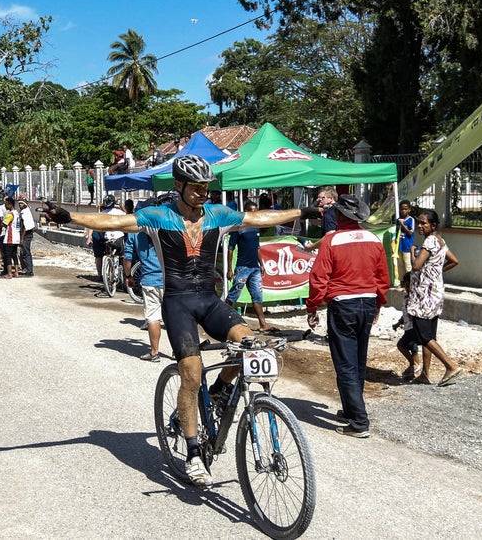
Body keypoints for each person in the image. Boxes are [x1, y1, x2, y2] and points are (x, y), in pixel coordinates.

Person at [41, 155, 322, 486]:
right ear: (179, 186)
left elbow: (260, 217)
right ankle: (192, 453)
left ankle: (219, 390)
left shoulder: (219, 215)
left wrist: (301, 212)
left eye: (207, 187)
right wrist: (70, 216)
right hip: (178, 305)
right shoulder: (157, 216)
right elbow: (112, 223)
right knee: (191, 374)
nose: (204, 193)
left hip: (210, 301)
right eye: (197, 188)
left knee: (252, 346)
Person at [305, 195, 390, 438]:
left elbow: (319, 277)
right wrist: (379, 304)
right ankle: (352, 410)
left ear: (340, 215)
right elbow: (382, 277)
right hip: (367, 303)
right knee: (358, 360)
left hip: (343, 304)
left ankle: (359, 421)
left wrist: (312, 307)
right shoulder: (373, 239)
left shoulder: (332, 240)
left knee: (345, 363)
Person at [406, 209, 462, 386]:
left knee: (423, 335)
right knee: (429, 335)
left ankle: (451, 366)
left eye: (424, 223)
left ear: (433, 225)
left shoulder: (429, 242)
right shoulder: (440, 240)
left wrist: (413, 250)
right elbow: (454, 260)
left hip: (425, 295)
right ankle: (425, 373)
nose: (420, 226)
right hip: (435, 292)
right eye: (419, 223)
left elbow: (416, 266)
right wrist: (438, 272)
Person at [123, 199, 165, 362]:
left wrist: (128, 276)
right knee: (174, 317)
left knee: (153, 317)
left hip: (149, 280)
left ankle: (154, 353)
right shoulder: (166, 227)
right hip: (171, 279)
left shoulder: (135, 232)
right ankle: (179, 352)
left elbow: (128, 257)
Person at [225, 200, 275, 333]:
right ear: (247, 211)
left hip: (255, 268)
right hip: (242, 268)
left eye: (256, 210)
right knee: (233, 296)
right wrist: (229, 269)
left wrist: (262, 264)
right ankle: (221, 319)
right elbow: (230, 248)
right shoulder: (238, 227)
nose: (255, 213)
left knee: (257, 297)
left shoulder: (256, 227)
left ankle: (263, 324)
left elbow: (257, 247)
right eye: (253, 210)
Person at [85, 195, 124, 279]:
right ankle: (123, 277)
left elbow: (94, 225)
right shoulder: (120, 212)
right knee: (122, 256)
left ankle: (109, 277)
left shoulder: (101, 214)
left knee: (109, 256)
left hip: (107, 239)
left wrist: (92, 236)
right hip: (119, 238)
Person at [393, 273, 422, 381]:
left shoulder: (414, 298)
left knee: (401, 345)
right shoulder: (407, 298)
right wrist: (398, 323)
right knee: (413, 348)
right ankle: (413, 370)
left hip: (413, 327)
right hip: (408, 326)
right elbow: (405, 314)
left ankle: (413, 364)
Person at [0, 196, 21, 279]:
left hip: (10, 238)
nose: (5, 206)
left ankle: (9, 273)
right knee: (14, 255)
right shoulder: (17, 213)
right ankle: (16, 272)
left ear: (9, 204)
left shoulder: (10, 214)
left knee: (8, 256)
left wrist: (2, 221)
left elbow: (4, 224)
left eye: (6, 204)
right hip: (16, 237)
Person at [396, 199, 416, 279]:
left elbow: (410, 232)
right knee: (400, 265)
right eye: (402, 209)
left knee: (407, 264)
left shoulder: (411, 220)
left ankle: (410, 281)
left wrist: (403, 225)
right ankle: (401, 281)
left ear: (409, 210)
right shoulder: (398, 220)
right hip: (399, 246)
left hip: (407, 246)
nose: (403, 211)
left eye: (405, 209)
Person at [18, 199, 37, 277]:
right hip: (24, 234)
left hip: (26, 235)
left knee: (26, 253)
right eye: (19, 204)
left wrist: (22, 238)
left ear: (25, 204)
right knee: (22, 253)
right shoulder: (23, 212)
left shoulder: (25, 213)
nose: (20, 205)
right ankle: (25, 269)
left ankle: (29, 271)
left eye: (21, 203)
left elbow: (26, 226)